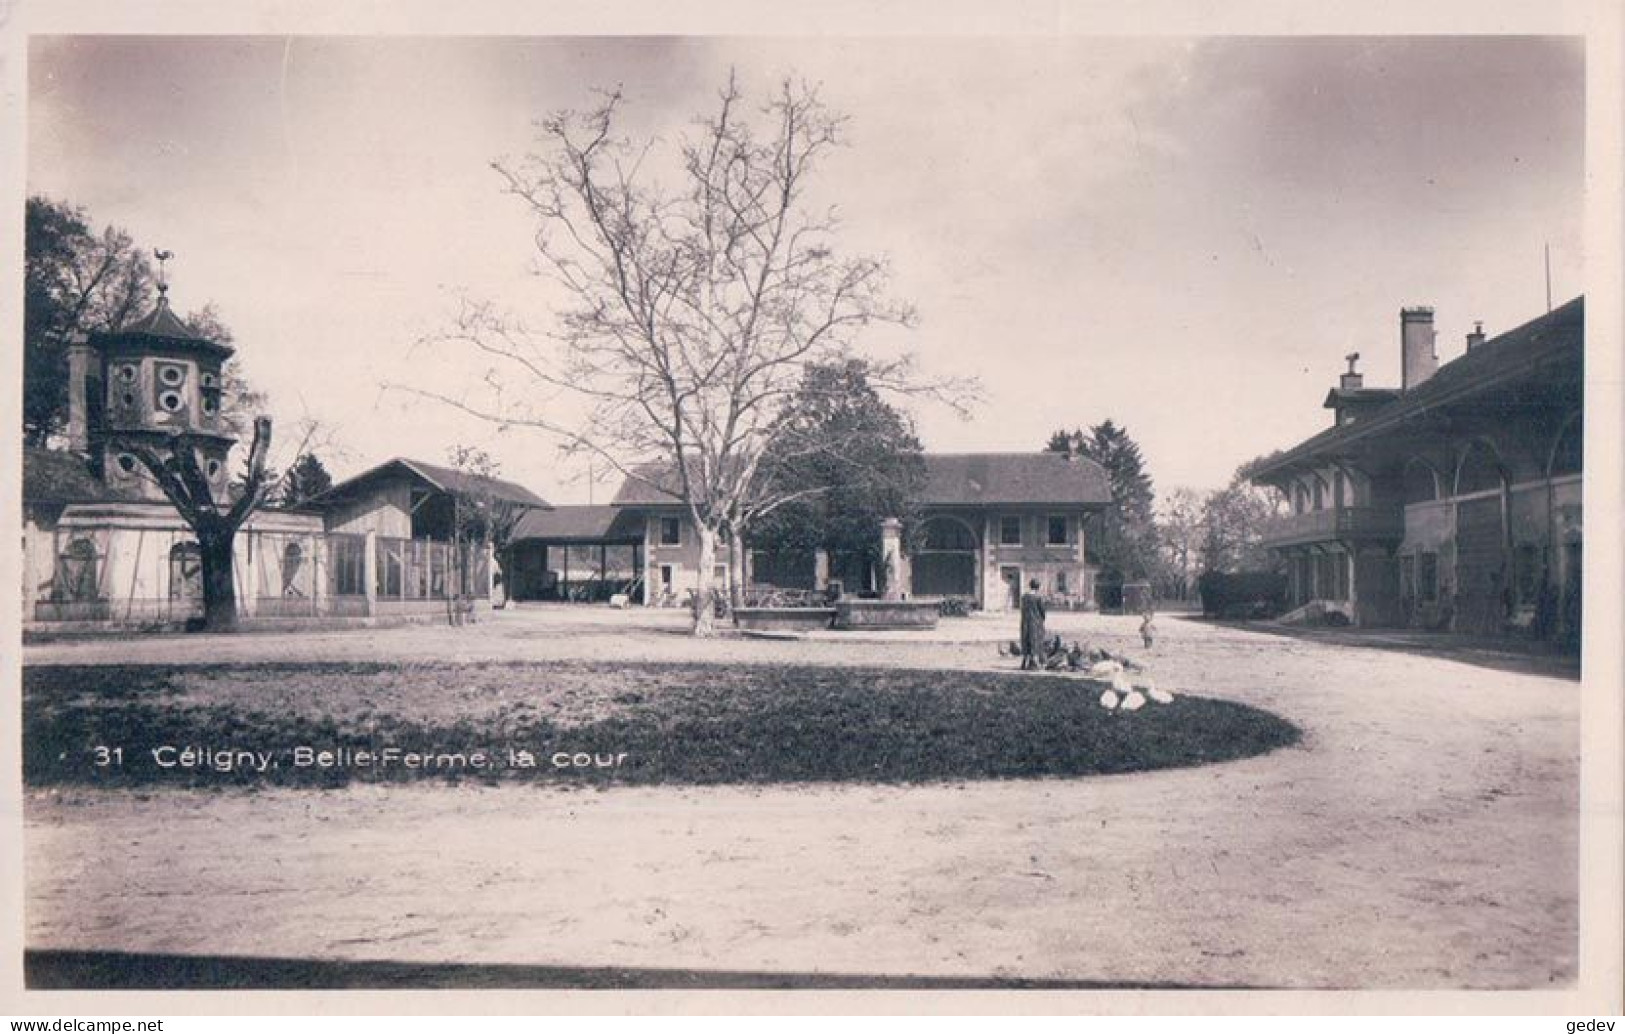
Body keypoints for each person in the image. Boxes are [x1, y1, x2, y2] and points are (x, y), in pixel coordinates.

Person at [1019, 578, 1047, 671]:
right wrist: (1042, 619)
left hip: (1025, 621)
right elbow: (1042, 611)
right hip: (1035, 622)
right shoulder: (1038, 597)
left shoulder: (1024, 597)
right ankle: (1033, 663)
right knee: (1035, 640)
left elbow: (1022, 609)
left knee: (1025, 640)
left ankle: (1024, 662)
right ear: (1038, 587)